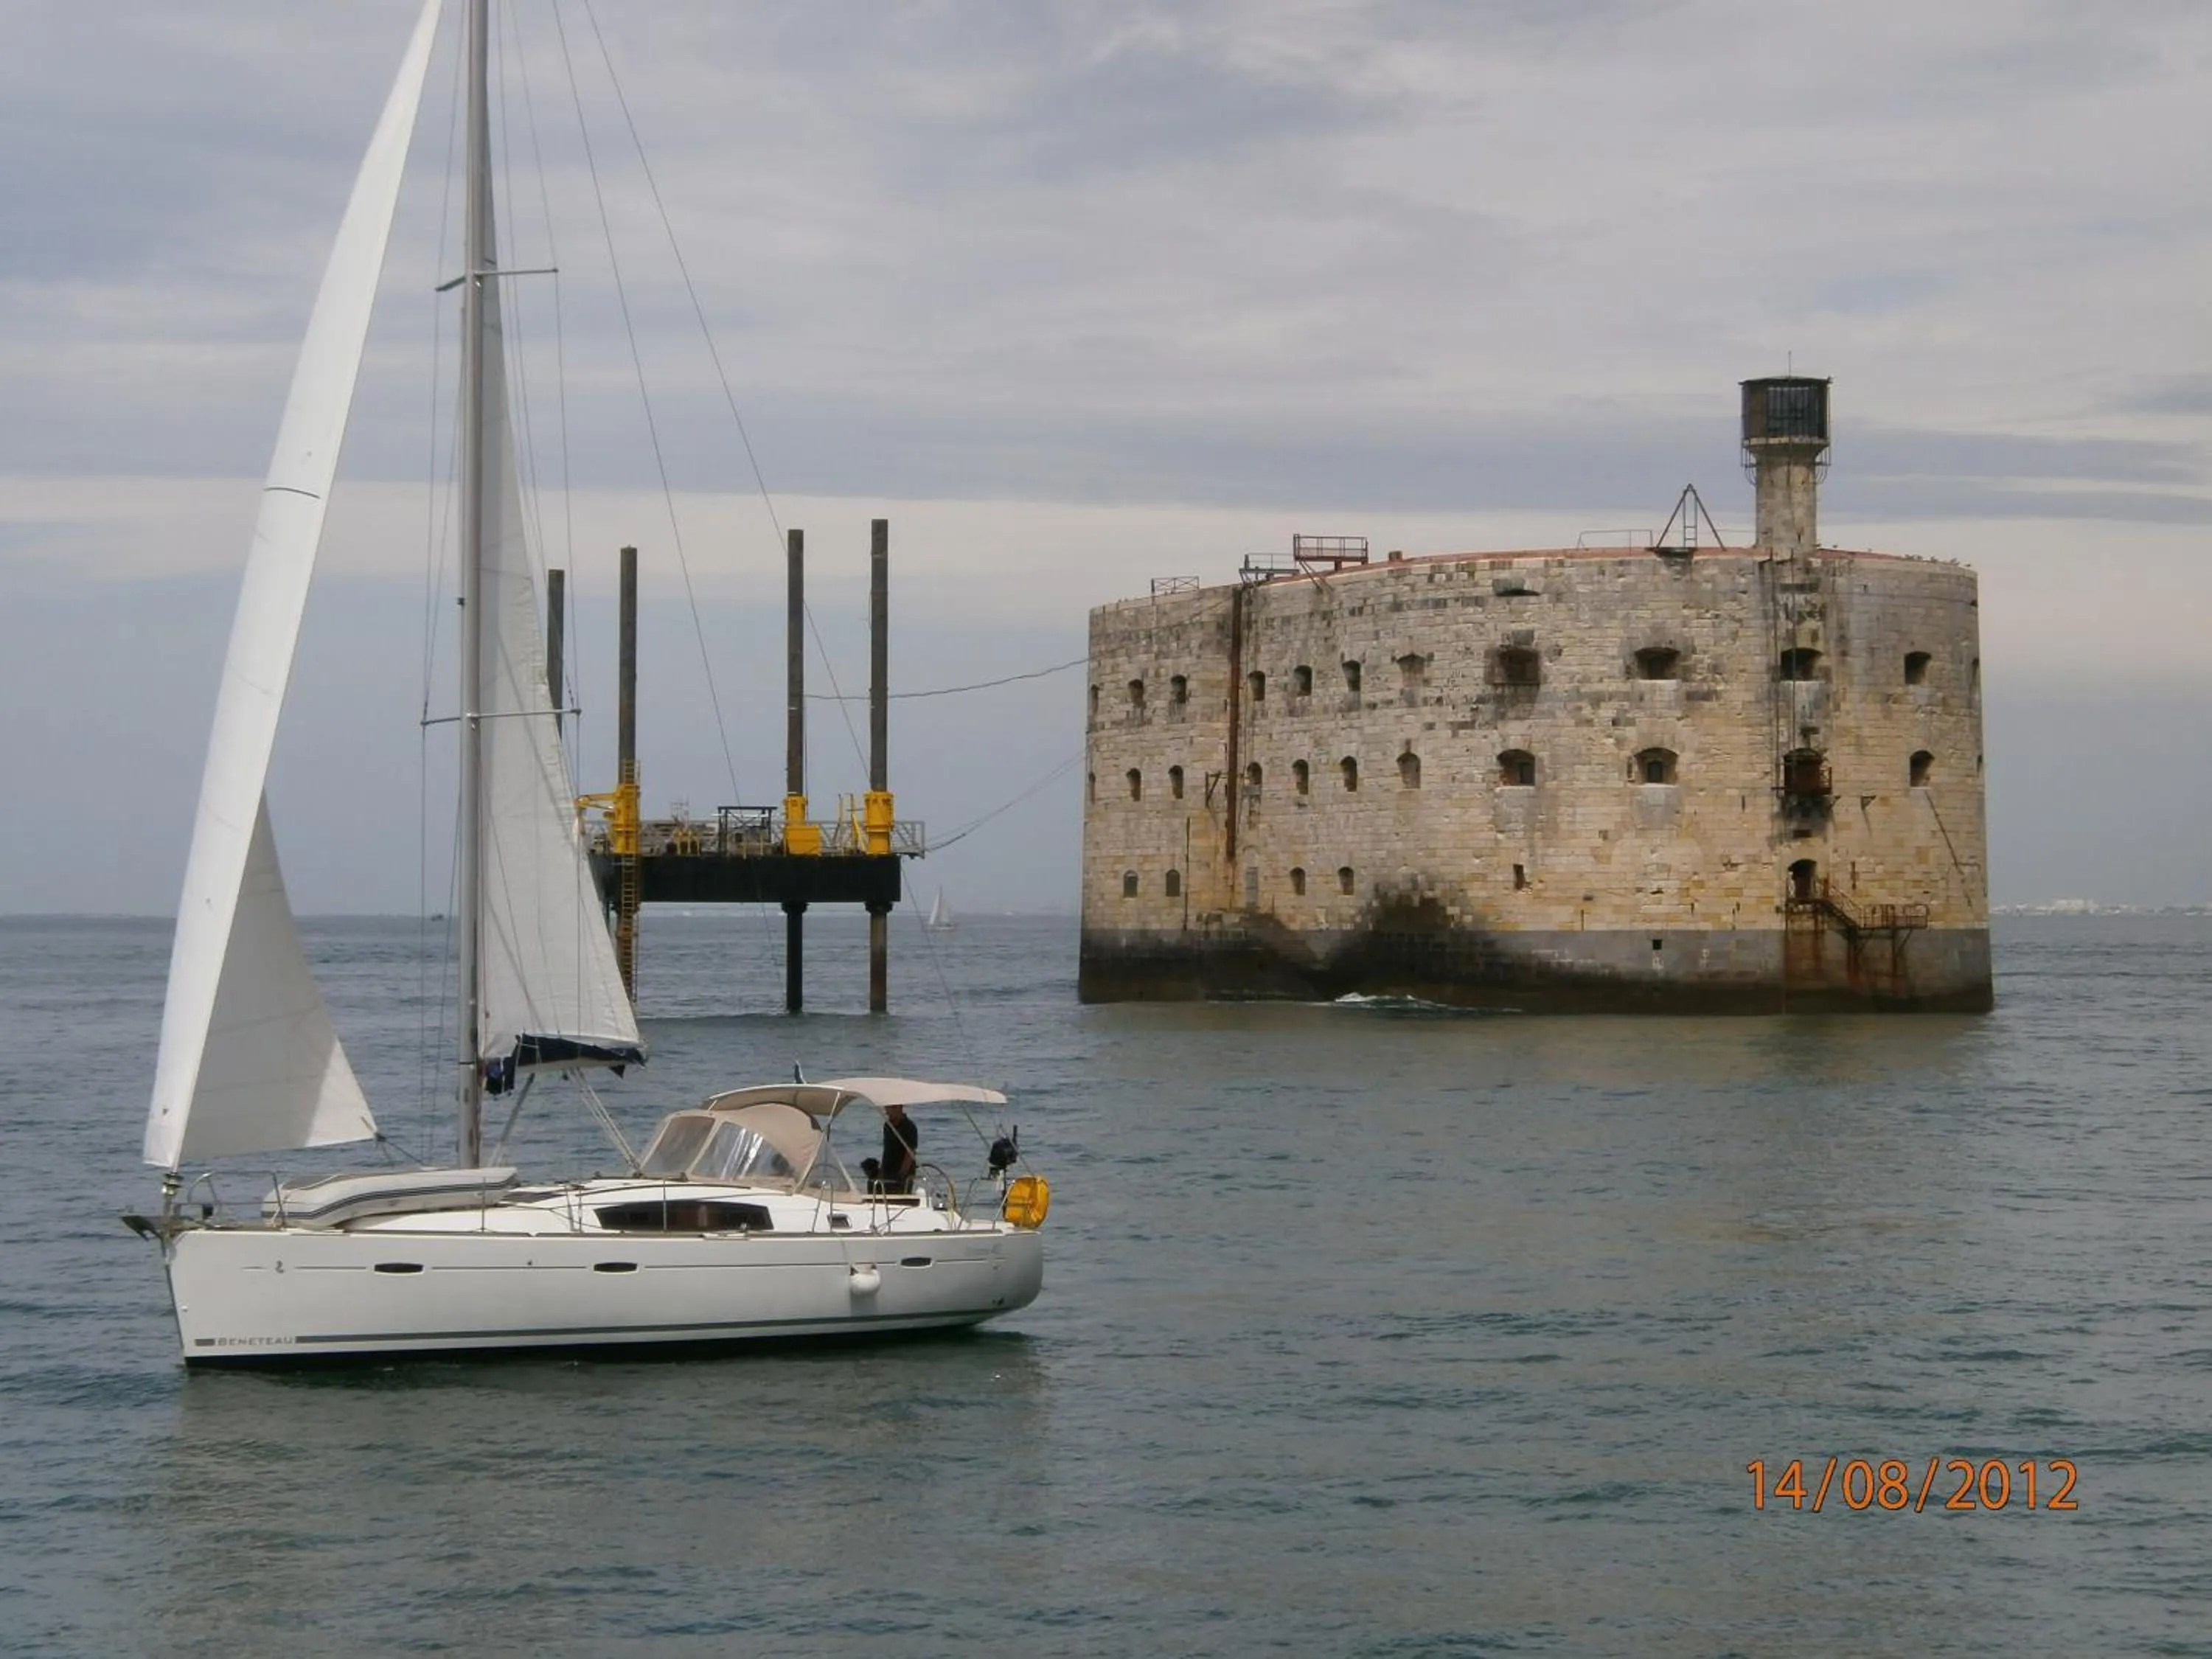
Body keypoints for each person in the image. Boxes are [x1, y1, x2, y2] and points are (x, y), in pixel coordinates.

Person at [880, 1099, 919, 1196]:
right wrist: (882, 1171)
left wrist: (902, 1174)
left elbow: (910, 1152)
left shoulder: (909, 1127)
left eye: (889, 1109)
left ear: (898, 1108)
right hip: (888, 1169)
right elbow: (886, 1149)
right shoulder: (888, 1126)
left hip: (903, 1172)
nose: (887, 1112)